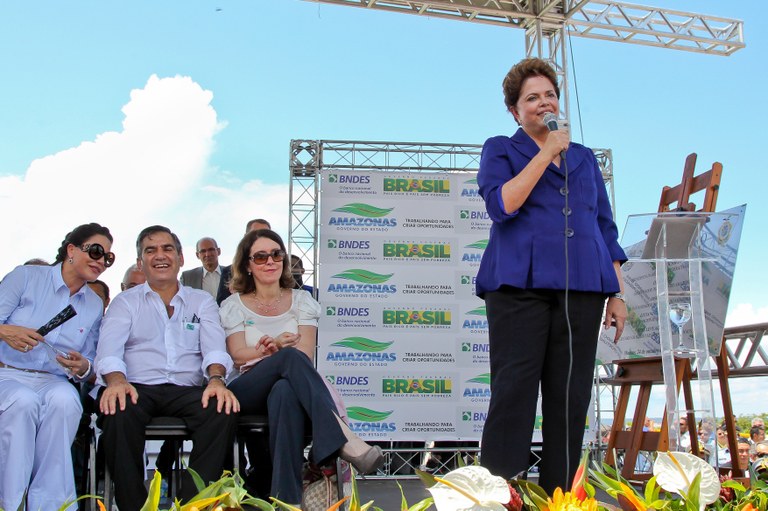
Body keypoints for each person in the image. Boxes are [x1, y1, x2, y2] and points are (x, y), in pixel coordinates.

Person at [475, 58, 627, 493]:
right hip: (518, 288)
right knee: (514, 393)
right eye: (532, 98)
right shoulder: (501, 148)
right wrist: (546, 152)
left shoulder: (584, 159)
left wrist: (615, 293)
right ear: (515, 111)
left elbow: (603, 225)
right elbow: (503, 205)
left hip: (582, 288)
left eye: (550, 95)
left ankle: (560, 497)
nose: (544, 103)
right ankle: (501, 496)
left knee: (571, 397)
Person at [219, 229, 383, 504]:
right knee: (288, 358)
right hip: (247, 389)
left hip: (288, 387)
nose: (270, 261)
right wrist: (272, 350)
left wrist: (278, 352)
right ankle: (343, 438)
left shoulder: (302, 301)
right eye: (260, 257)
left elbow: (305, 353)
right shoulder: (233, 305)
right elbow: (238, 355)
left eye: (276, 254)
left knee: (284, 391)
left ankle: (287, 501)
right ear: (247, 265)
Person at [95, 225, 239, 510]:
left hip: (187, 389)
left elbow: (214, 348)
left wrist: (215, 380)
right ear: (140, 262)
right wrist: (115, 380)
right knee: (117, 408)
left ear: (182, 259)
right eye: (151, 250)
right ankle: (134, 505)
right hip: (136, 387)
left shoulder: (202, 301)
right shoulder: (125, 302)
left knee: (221, 409)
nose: (160, 256)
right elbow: (108, 351)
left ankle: (190, 504)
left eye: (167, 248)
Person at [0, 222, 114, 511]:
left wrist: (83, 366)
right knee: (22, 402)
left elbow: (91, 362)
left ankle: (51, 506)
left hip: (54, 380)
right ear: (71, 250)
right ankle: (9, 503)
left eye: (108, 258)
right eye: (97, 251)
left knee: (66, 402)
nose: (101, 261)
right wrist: (6, 331)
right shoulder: (25, 277)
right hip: (8, 374)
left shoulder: (92, 304)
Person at [217, 219, 272, 305]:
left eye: (266, 234)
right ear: (246, 237)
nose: (261, 238)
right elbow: (222, 306)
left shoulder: (280, 269)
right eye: (256, 233)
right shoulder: (229, 272)